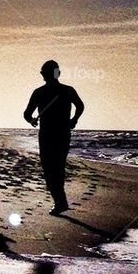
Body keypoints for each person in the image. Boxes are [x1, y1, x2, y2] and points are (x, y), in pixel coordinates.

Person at [23, 60, 84, 214]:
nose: (42, 74)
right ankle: (60, 201)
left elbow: (80, 105)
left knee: (51, 168)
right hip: (57, 133)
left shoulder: (47, 92)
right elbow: (27, 114)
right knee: (55, 168)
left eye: (43, 71)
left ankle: (60, 202)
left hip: (53, 134)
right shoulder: (63, 90)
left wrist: (74, 119)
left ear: (47, 74)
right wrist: (32, 120)